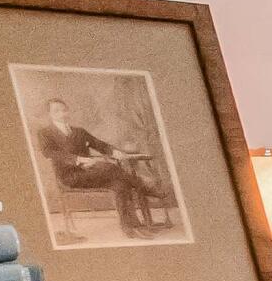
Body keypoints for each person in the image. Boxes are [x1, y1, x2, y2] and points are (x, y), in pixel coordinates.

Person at [34, 96, 178, 237]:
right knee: (109, 167)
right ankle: (145, 187)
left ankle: (131, 227)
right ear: (49, 114)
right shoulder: (45, 133)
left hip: (94, 174)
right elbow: (50, 153)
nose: (62, 113)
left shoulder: (79, 131)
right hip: (71, 176)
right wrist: (78, 159)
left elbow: (99, 144)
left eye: (64, 110)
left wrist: (115, 152)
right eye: (57, 111)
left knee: (121, 184)